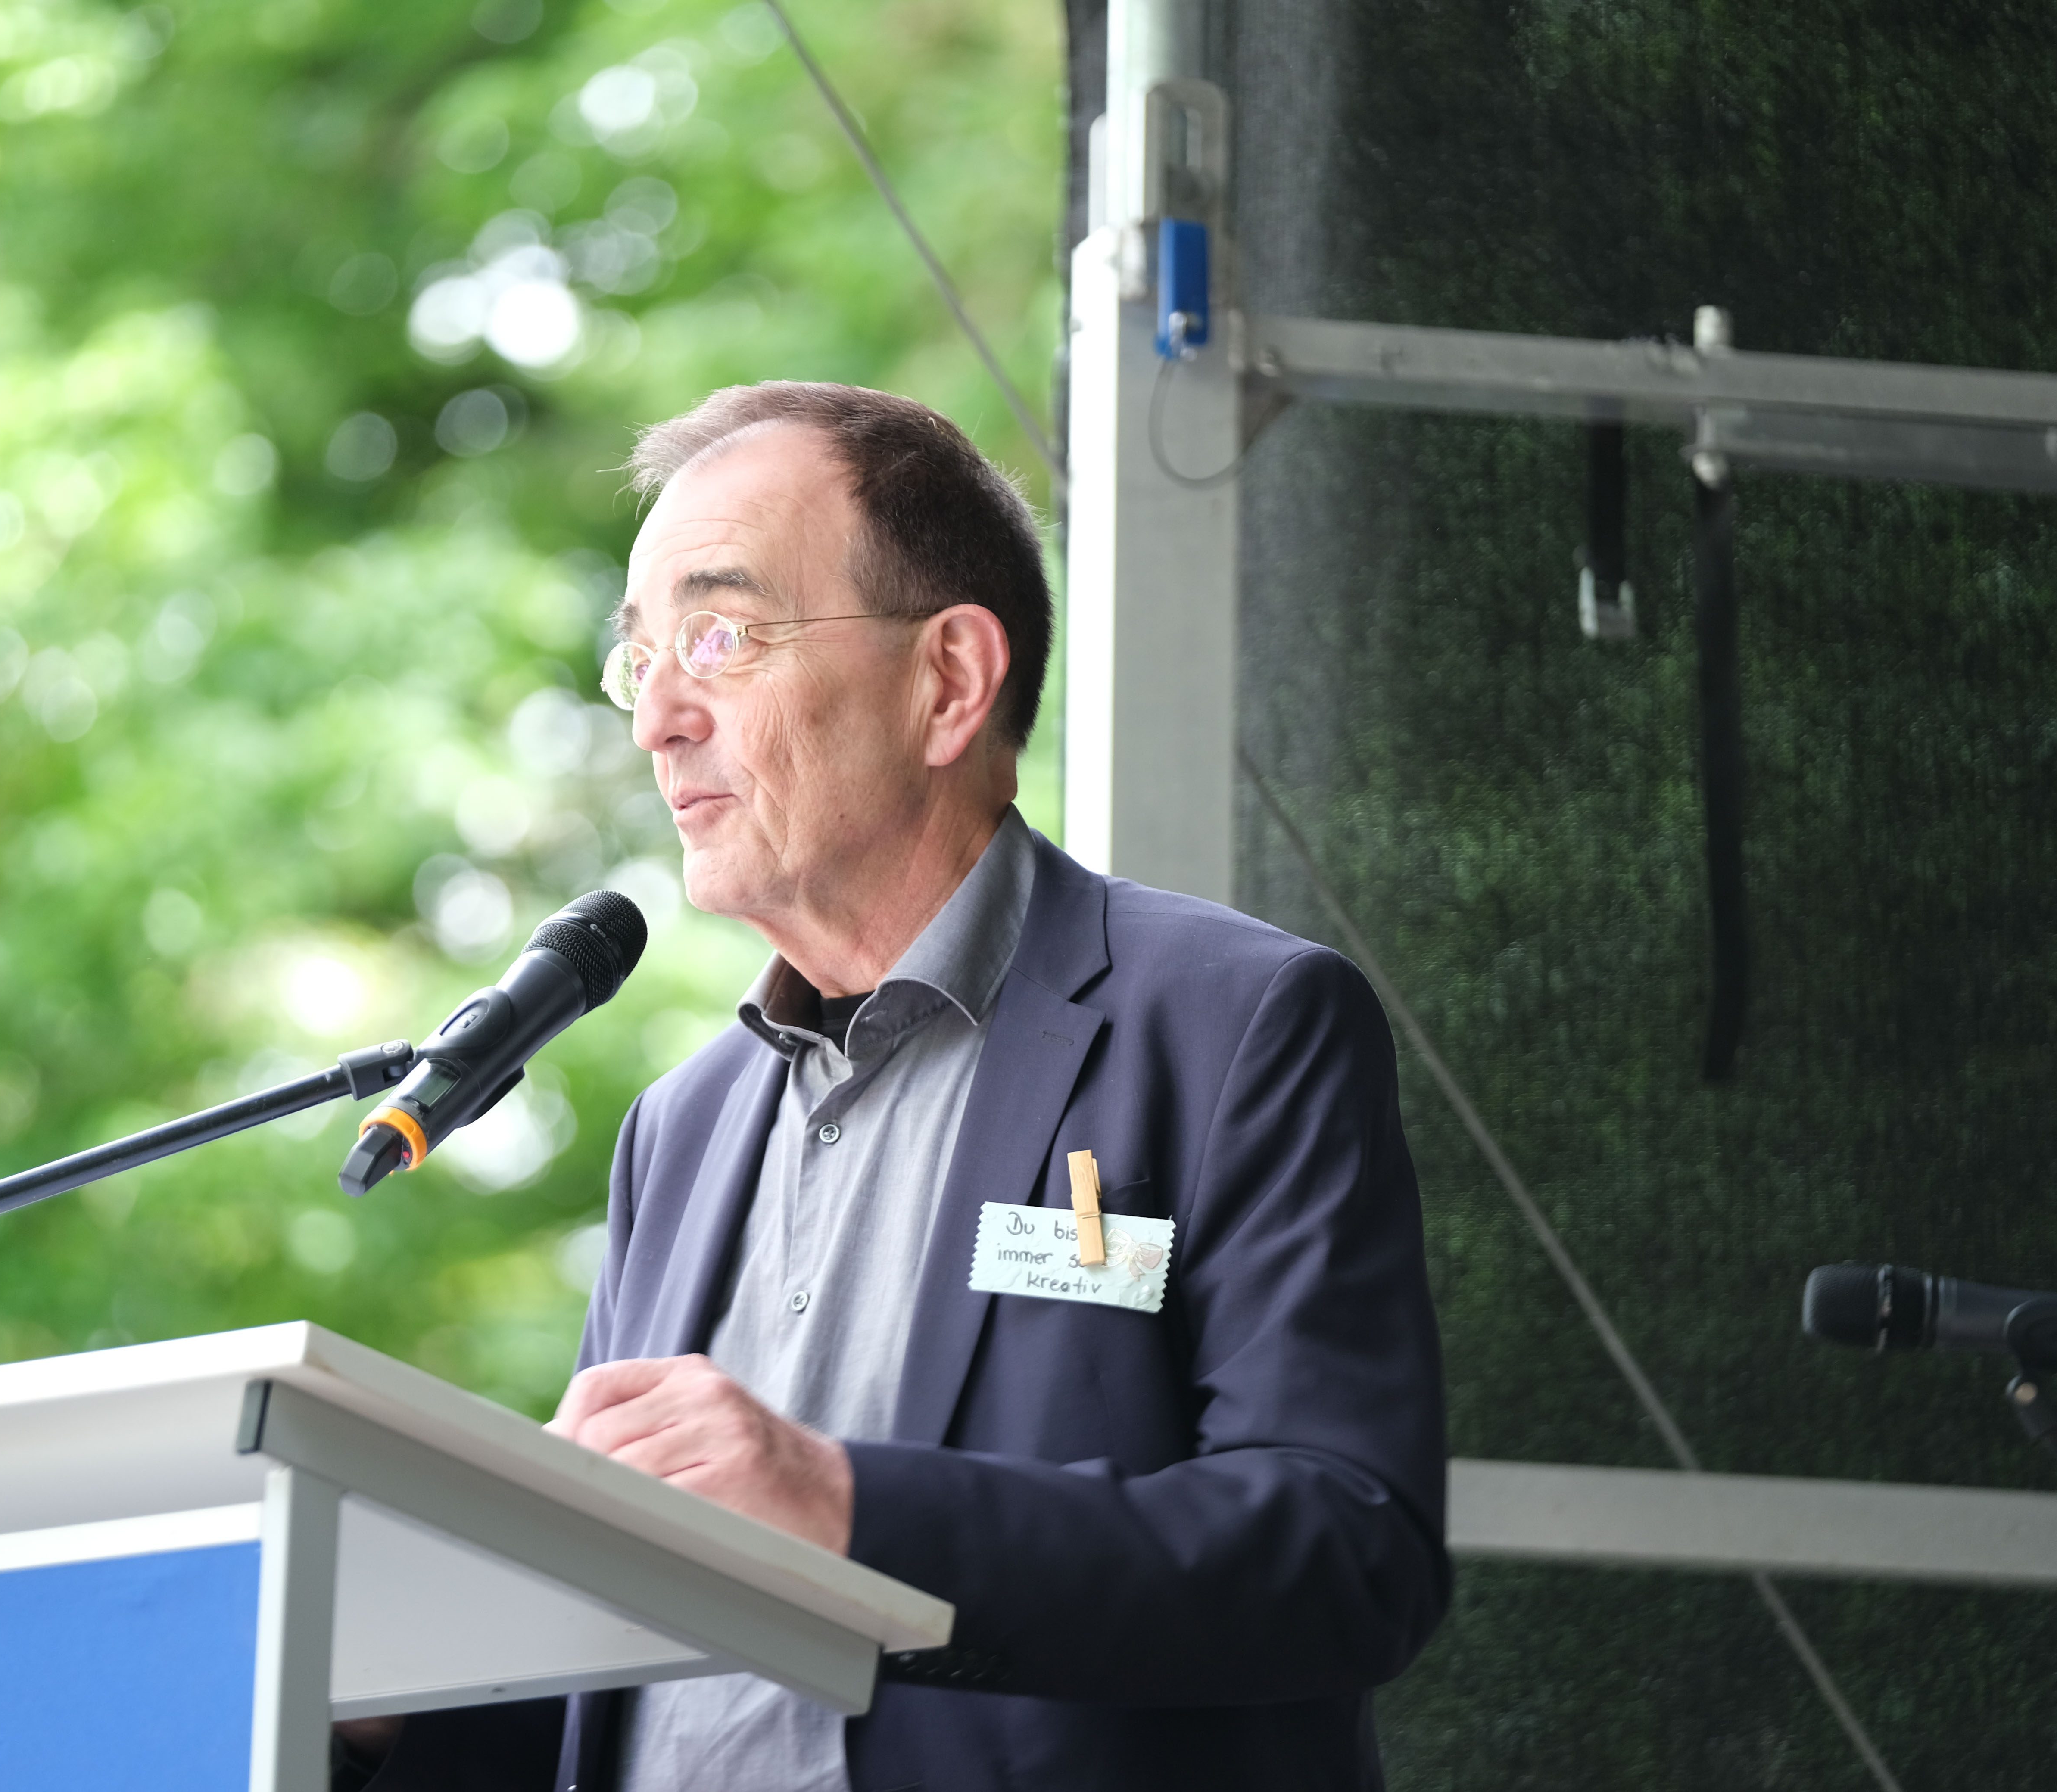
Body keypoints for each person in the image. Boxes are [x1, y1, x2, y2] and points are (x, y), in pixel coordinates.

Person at [360, 382, 1448, 1792]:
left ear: (948, 681)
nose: (658, 721)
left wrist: (843, 1508)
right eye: (641, 660)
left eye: (720, 636)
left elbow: (1347, 1550)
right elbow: (616, 1689)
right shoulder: (678, 1135)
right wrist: (376, 1700)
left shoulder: (1234, 1025)